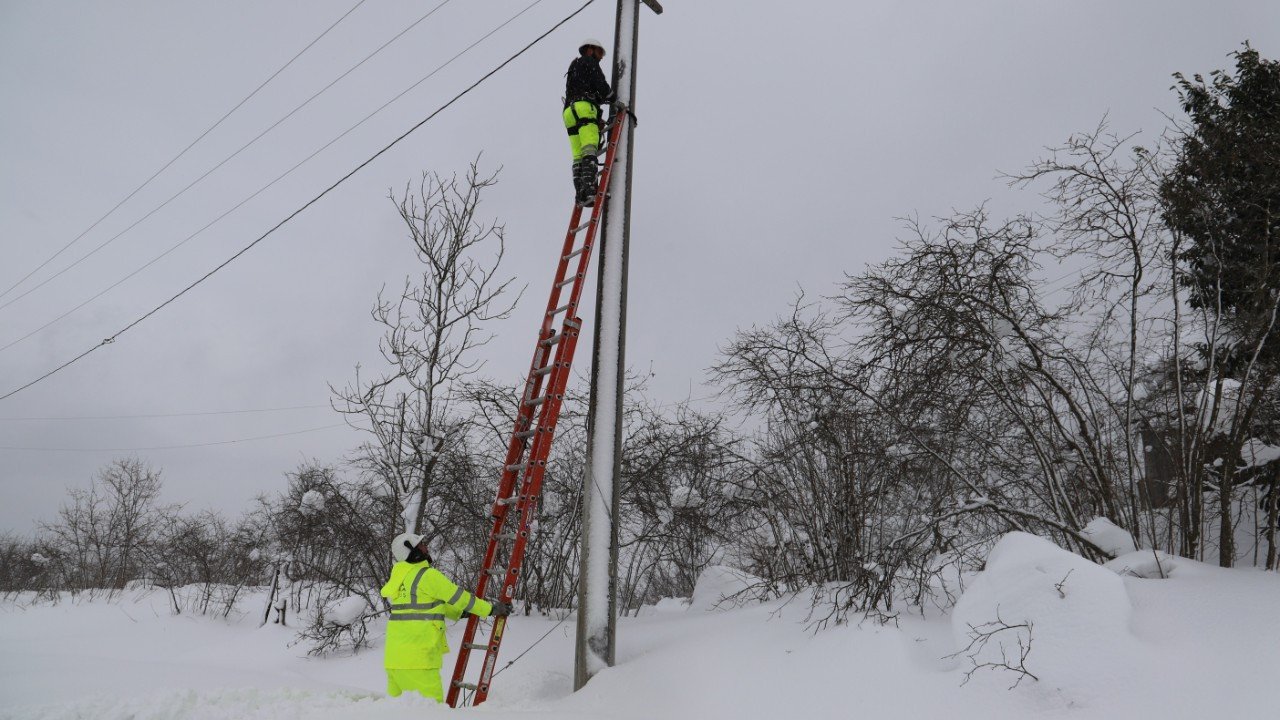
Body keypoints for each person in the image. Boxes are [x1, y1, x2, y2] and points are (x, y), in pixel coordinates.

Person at [380, 532, 511, 703]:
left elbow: (428, 602)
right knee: (430, 711)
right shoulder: (427, 575)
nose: (425, 547)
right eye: (421, 545)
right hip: (419, 660)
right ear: (413, 551)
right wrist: (489, 609)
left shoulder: (401, 580)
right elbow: (458, 596)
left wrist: (459, 612)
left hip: (394, 660)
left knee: (400, 711)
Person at [564, 37, 616, 206]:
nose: (601, 57)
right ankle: (591, 190)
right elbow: (600, 84)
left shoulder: (574, 66)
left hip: (569, 112)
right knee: (589, 149)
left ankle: (580, 193)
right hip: (585, 108)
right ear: (590, 50)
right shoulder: (590, 63)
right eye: (599, 52)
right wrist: (612, 97)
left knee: (578, 154)